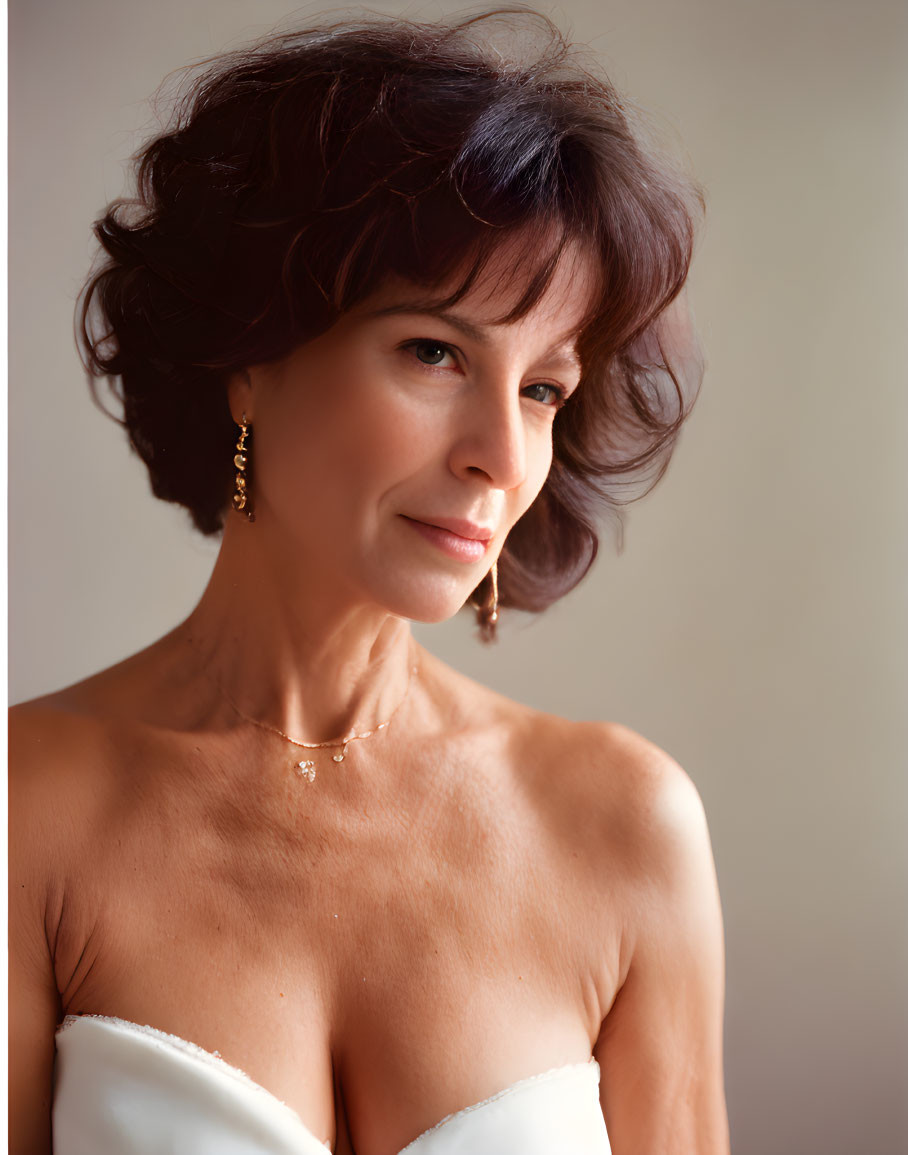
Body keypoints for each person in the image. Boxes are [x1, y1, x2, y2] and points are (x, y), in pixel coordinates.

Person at [9, 8, 729, 1154]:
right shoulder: (26, 812)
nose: (499, 451)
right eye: (434, 352)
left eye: (542, 388)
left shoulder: (623, 827)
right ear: (249, 358)